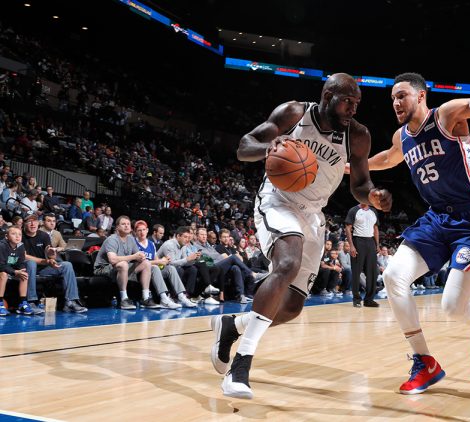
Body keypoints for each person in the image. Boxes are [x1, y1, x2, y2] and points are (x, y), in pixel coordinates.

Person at [361, 13, 470, 394]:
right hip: (436, 221)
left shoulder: (447, 116)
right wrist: (350, 164)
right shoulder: (403, 137)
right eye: (392, 98)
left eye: (402, 95)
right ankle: (425, 362)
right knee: (393, 277)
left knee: (451, 306)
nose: (396, 102)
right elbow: (386, 158)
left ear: (421, 94)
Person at [211, 72, 392, 399]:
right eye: (347, 101)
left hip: (313, 214)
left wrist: (374, 195)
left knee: (293, 306)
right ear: (327, 97)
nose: (353, 108)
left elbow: (360, 185)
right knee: (287, 262)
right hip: (278, 200)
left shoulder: (359, 135)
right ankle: (241, 365)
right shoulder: (294, 113)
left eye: (357, 103)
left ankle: (233, 326)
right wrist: (271, 146)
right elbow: (244, 147)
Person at [22, 214, 87, 313]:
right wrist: (45, 261)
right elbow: (24, 256)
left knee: (67, 265)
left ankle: (70, 301)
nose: (32, 224)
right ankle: (31, 302)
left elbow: (49, 251)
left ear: (38, 223)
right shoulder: (20, 235)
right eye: (29, 221)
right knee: (31, 263)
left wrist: (52, 255)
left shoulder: (43, 235)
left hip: (44, 268)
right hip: (26, 268)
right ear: (24, 224)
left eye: (34, 221)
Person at [93, 216, 160, 310]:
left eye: (128, 224)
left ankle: (145, 298)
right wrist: (133, 257)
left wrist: (142, 257)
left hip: (120, 268)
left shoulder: (131, 239)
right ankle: (124, 299)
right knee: (123, 264)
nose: (126, 226)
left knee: (146, 263)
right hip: (103, 268)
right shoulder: (112, 239)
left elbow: (139, 256)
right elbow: (112, 260)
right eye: (123, 224)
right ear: (117, 227)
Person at [133, 220, 196, 309]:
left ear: (147, 230)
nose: (142, 232)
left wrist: (164, 261)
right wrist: (158, 262)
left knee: (170, 268)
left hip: (153, 269)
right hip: (139, 270)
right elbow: (139, 263)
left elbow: (157, 261)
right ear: (135, 232)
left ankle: (181, 296)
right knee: (155, 267)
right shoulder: (133, 243)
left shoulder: (151, 244)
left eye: (143, 230)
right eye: (139, 230)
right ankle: (164, 298)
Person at [345, 203, 380, 307]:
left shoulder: (373, 211)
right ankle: (356, 299)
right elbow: (348, 228)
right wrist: (351, 245)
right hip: (358, 240)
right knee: (356, 271)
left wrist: (377, 244)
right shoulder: (354, 210)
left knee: (372, 272)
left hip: (371, 242)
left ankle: (369, 300)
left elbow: (376, 228)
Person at [0, 226, 32, 316]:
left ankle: (23, 303)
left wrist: (21, 270)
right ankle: (0, 303)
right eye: (13, 234)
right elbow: (1, 265)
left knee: (24, 274)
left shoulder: (20, 246)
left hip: (10, 270)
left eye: (19, 234)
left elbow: (21, 262)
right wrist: (14, 272)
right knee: (3, 274)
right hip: (2, 270)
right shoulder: (2, 246)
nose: (17, 236)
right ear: (7, 236)